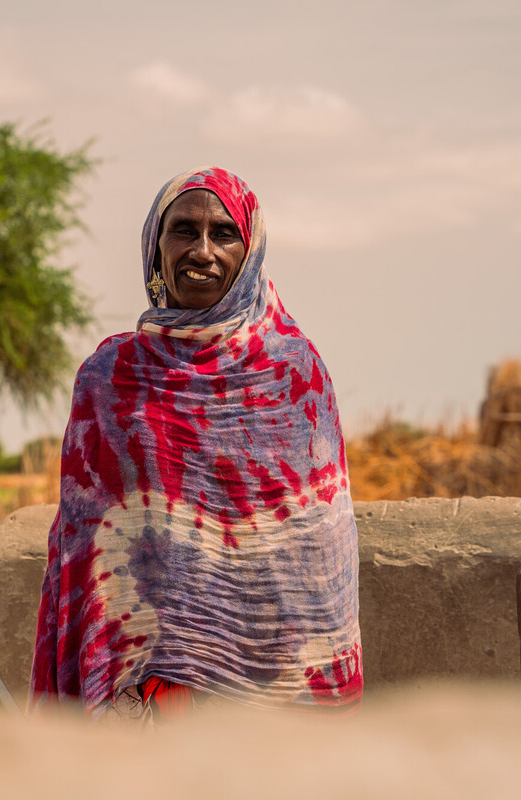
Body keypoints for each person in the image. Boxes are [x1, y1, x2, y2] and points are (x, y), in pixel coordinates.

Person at [28, 167, 362, 719]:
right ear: (155, 246)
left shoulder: (293, 374)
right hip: (143, 687)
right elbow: (82, 549)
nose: (202, 251)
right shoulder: (111, 376)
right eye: (183, 230)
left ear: (250, 250)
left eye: (224, 234)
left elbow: (318, 553)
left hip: (269, 689)